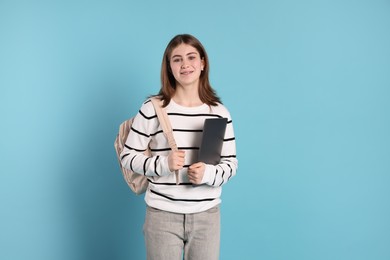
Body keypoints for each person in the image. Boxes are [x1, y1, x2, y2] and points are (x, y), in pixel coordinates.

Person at [120, 34, 238, 260]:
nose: (185, 64)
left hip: (207, 216)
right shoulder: (152, 108)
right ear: (169, 67)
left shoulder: (219, 112)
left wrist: (208, 173)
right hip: (162, 214)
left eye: (191, 57)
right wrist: (163, 164)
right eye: (177, 59)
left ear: (202, 63)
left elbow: (231, 164)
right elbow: (128, 156)